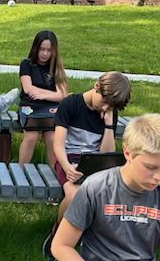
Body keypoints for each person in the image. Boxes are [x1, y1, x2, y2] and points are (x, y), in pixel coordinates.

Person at [51, 113, 160, 261]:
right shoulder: (95, 188)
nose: (159, 177)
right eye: (150, 167)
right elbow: (61, 245)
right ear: (127, 152)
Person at [42, 71, 131, 260]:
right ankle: (58, 235)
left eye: (112, 106)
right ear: (96, 86)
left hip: (94, 161)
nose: (106, 107)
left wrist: (108, 125)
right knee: (75, 194)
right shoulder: (71, 104)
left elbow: (106, 153)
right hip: (67, 160)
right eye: (104, 101)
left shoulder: (108, 113)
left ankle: (91, 238)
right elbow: (57, 144)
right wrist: (66, 167)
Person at [17, 30, 67, 168]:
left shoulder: (55, 67)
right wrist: (51, 94)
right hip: (30, 106)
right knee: (31, 137)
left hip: (50, 109)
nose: (45, 54)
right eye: (42, 49)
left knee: (52, 139)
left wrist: (43, 95)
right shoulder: (27, 64)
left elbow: (62, 94)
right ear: (36, 48)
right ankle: (21, 171)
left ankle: (54, 173)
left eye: (49, 50)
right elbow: (28, 89)